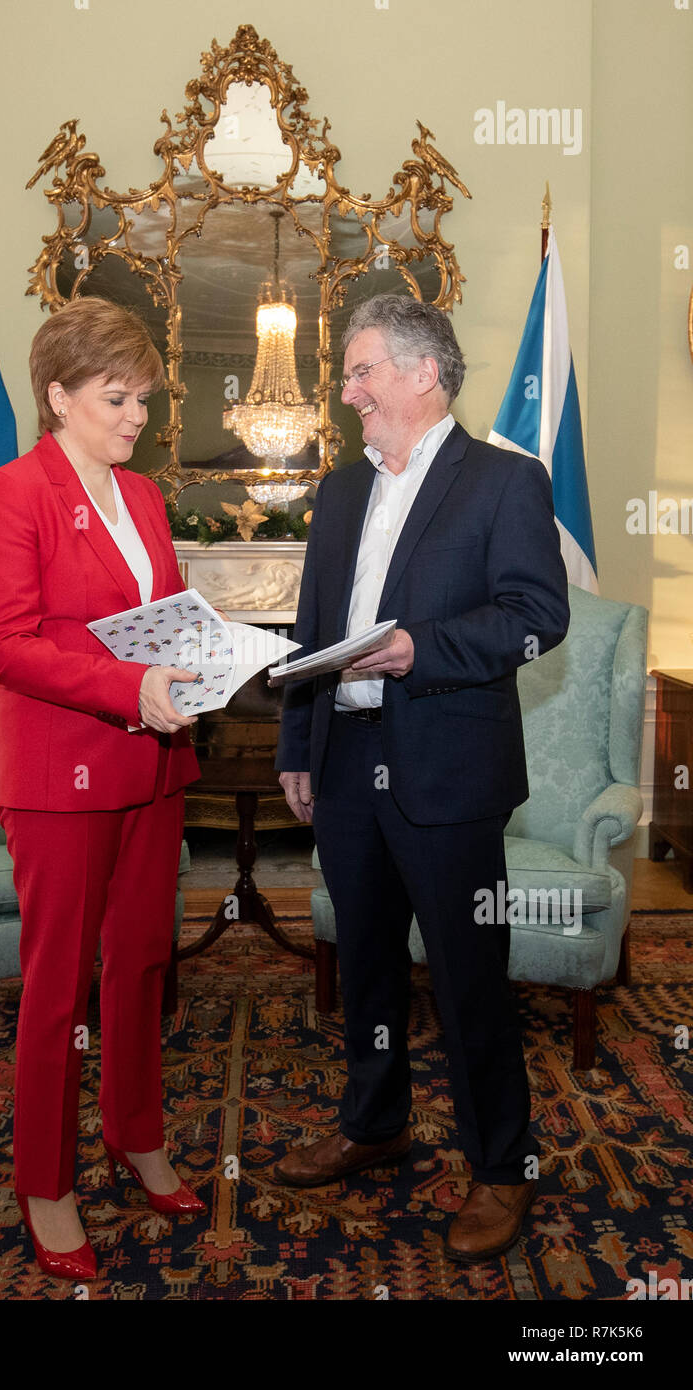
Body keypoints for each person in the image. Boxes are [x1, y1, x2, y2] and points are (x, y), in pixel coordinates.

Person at [273, 293, 569, 1263]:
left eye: (361, 371)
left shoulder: (502, 482)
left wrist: (417, 648)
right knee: (363, 965)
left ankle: (499, 1165)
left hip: (448, 771)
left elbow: (536, 613)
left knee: (465, 975)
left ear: (421, 373)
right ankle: (375, 1118)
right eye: (348, 374)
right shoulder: (338, 490)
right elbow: (313, 633)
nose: (347, 391)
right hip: (346, 765)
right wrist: (295, 748)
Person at [0, 296, 206, 1282]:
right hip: (59, 776)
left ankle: (134, 1132)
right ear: (57, 394)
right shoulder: (8, 493)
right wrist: (131, 689)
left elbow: (158, 619)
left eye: (142, 398)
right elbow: (4, 644)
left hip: (151, 767)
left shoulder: (144, 498)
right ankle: (45, 1181)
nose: (136, 415)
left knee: (144, 959)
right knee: (59, 985)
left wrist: (204, 656)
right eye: (117, 397)